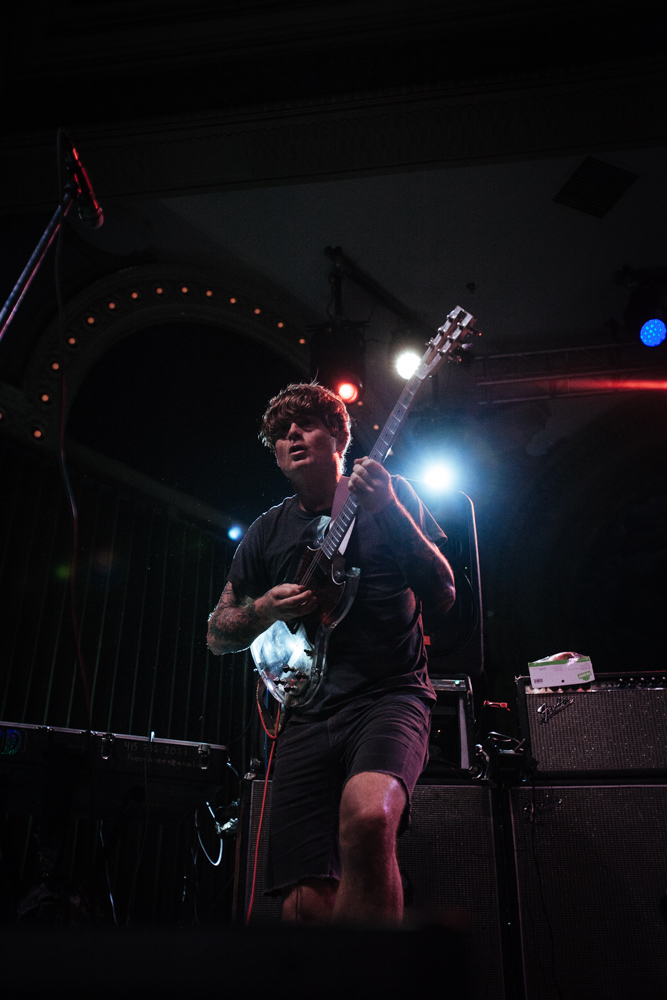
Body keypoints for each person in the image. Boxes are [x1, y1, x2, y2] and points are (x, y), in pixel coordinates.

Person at [207, 382, 455, 924]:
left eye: (307, 425)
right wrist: (264, 609)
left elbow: (442, 593)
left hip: (389, 696)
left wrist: (388, 507)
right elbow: (218, 633)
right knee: (304, 899)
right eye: (280, 432)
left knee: (367, 820)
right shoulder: (266, 531)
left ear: (339, 436)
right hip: (304, 714)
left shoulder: (392, 496)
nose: (291, 435)